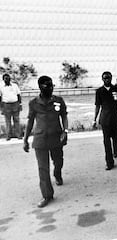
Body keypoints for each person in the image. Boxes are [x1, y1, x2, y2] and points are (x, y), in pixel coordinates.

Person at [23, 75, 68, 208]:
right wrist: (25, 139)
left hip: (56, 136)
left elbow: (64, 116)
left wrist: (65, 131)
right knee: (43, 168)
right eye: (47, 85)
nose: (51, 88)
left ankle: (57, 174)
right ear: (40, 87)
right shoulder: (33, 103)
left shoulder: (59, 100)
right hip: (41, 138)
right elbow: (30, 122)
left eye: (51, 85)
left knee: (58, 160)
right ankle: (47, 195)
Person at [93, 71, 117, 170]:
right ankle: (109, 162)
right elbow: (97, 106)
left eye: (109, 78)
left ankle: (116, 149)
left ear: (111, 78)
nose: (107, 80)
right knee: (106, 141)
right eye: (105, 78)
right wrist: (95, 119)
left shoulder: (116, 89)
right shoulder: (99, 91)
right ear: (102, 79)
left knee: (115, 138)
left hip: (115, 117)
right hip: (105, 119)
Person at [0, 73, 22, 140]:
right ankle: (8, 136)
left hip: (15, 104)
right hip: (6, 105)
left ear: (10, 78)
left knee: (17, 120)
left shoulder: (15, 85)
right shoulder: (1, 87)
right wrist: (1, 107)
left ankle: (19, 135)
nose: (7, 79)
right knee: (8, 121)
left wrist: (20, 104)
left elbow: (18, 95)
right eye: (5, 78)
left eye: (8, 78)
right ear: (3, 79)